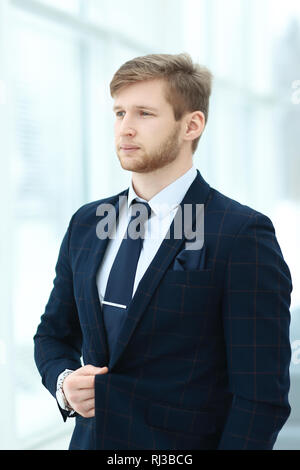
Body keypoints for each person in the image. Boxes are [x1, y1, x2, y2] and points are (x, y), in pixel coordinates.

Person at [34, 52, 293, 450]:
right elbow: (52, 334)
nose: (126, 129)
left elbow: (261, 399)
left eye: (144, 114)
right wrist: (64, 384)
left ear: (192, 124)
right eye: (119, 113)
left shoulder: (240, 233)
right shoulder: (88, 222)